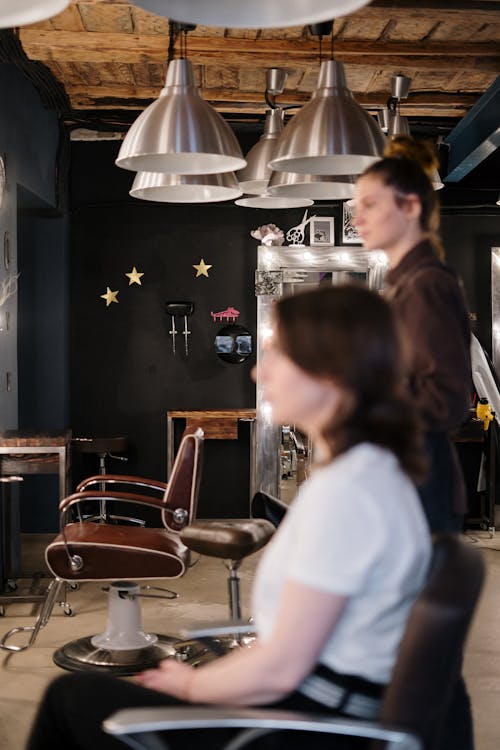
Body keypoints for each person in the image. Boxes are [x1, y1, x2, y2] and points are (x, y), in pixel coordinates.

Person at [27, 285, 431, 750]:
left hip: (297, 727)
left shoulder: (348, 495)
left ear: (328, 370)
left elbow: (282, 668)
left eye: (277, 353)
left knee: (68, 699)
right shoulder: (370, 472)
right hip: (315, 704)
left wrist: (192, 688)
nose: (260, 370)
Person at [352, 136, 473, 750]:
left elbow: (448, 400)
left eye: (370, 203)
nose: (357, 215)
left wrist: (363, 408)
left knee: (424, 655)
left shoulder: (424, 285)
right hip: (409, 484)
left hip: (422, 488)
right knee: (417, 653)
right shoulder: (405, 283)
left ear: (412, 207)